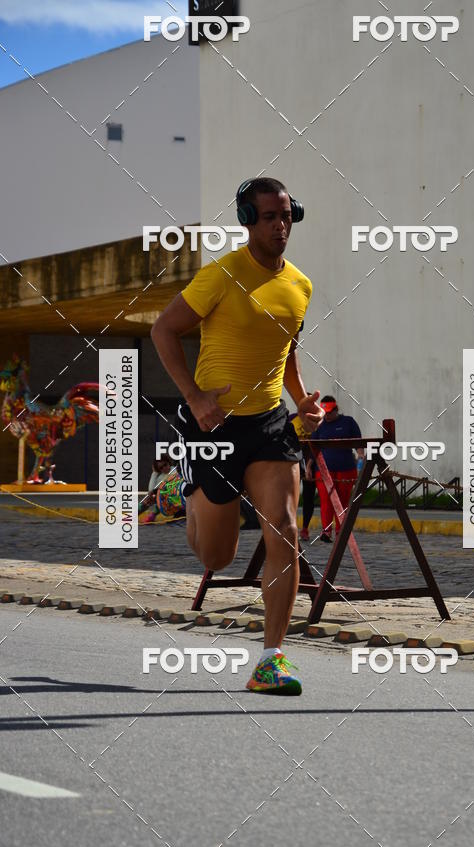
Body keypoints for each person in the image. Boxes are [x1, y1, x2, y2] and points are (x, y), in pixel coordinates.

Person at [151, 177, 324, 696]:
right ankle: (178, 493)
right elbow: (164, 330)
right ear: (248, 219)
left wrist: (299, 401)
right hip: (214, 424)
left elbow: (284, 348)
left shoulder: (301, 285)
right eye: (270, 216)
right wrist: (194, 398)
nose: (281, 224)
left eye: (288, 215)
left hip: (270, 424)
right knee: (216, 557)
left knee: (285, 529)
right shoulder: (221, 274)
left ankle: (271, 660)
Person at [312, 396, 364, 542]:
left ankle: (341, 531)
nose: (327, 415)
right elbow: (313, 446)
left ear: (336, 410)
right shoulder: (319, 424)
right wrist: (309, 466)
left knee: (342, 501)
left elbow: (359, 443)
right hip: (323, 469)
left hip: (345, 467)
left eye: (329, 412)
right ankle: (326, 531)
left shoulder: (348, 422)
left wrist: (361, 458)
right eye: (324, 412)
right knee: (326, 501)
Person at [288, 410, 317, 541]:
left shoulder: (317, 421)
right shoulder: (291, 418)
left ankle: (305, 528)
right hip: (293, 459)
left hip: (310, 460)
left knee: (308, 497)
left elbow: (319, 442)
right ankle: (289, 525)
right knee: (290, 495)